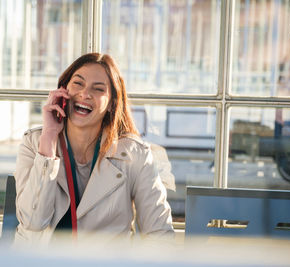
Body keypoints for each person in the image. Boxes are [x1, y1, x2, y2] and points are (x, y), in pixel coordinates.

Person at [14, 53, 174, 246]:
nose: (85, 94)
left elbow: (159, 234)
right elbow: (33, 222)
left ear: (112, 104)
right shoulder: (34, 143)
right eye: (78, 84)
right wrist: (48, 137)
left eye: (98, 89)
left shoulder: (135, 154)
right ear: (63, 91)